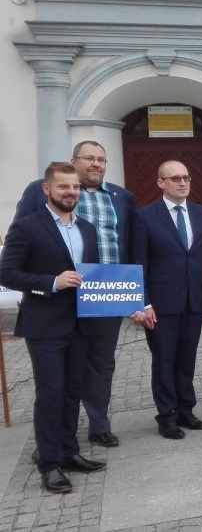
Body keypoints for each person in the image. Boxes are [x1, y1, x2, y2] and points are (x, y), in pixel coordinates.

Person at [14, 141, 135, 448]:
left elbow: (132, 243)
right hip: (60, 300)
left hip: (108, 293)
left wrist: (136, 294)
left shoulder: (122, 197)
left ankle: (98, 424)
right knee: (55, 379)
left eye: (101, 159)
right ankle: (52, 443)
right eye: (89, 158)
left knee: (101, 363)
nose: (96, 164)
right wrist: (47, 281)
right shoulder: (42, 192)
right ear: (73, 161)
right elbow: (24, 237)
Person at [1, 162, 108, 493]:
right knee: (50, 394)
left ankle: (69, 452)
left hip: (80, 323)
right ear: (47, 189)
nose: (71, 192)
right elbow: (6, 273)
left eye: (75, 187)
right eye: (64, 187)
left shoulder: (87, 229)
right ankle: (49, 464)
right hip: (44, 325)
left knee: (73, 390)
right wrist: (52, 282)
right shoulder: (27, 227)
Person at [134, 160, 202, 438]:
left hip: (193, 299)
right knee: (164, 359)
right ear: (160, 183)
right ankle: (166, 415)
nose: (182, 182)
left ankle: (185, 409)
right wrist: (143, 302)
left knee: (187, 357)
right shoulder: (144, 216)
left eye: (186, 177)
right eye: (175, 178)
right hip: (161, 303)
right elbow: (139, 261)